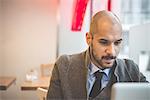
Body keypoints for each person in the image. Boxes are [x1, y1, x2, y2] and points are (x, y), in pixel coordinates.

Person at [47, 10, 148, 100]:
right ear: (89, 39)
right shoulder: (64, 66)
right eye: (104, 42)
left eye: (117, 43)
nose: (112, 52)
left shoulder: (131, 70)